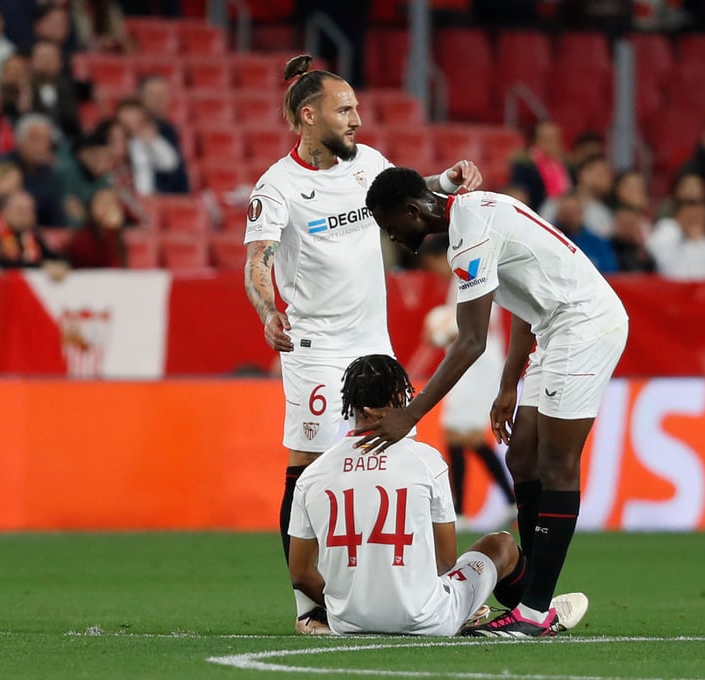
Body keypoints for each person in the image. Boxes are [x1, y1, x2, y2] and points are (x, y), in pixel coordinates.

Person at [241, 54, 482, 635]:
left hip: (374, 343)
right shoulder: (278, 186)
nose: (356, 119)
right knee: (310, 468)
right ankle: (310, 607)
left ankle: (425, 593)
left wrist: (446, 182)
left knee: (399, 458)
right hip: (316, 348)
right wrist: (270, 312)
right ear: (309, 116)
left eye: (356, 108)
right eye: (344, 109)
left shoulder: (367, 163)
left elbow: (410, 193)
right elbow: (257, 262)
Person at [361, 167, 628, 638]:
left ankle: (533, 611)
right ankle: (531, 592)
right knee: (521, 455)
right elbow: (525, 302)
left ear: (412, 211)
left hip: (584, 325)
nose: (391, 237)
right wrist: (509, 384)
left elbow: (470, 341)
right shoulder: (472, 217)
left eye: (389, 225)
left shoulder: (471, 232)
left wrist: (411, 414)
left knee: (557, 462)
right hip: (553, 328)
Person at [286, 354, 587, 636]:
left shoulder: (313, 475)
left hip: (347, 622)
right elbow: (445, 561)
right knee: (502, 545)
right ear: (386, 404)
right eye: (402, 396)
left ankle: (527, 610)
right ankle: (536, 611)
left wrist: (348, 606)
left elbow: (300, 573)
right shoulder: (426, 461)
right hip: (428, 618)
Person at [416, 237, 517, 524]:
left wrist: (441, 335)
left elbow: (478, 327)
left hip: (479, 365)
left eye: (432, 264)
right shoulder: (458, 280)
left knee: (459, 433)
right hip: (470, 364)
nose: (434, 272)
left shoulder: (468, 277)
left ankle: (461, 511)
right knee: (462, 435)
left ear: (442, 257)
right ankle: (508, 503)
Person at [0, 190, 66, 272]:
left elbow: (56, 259)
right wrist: (41, 266)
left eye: (31, 210)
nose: (26, 215)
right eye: (20, 210)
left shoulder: (32, 234)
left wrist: (59, 265)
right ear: (4, 211)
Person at [7, 112, 67, 227]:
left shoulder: (52, 178)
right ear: (19, 141)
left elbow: (58, 222)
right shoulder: (3, 167)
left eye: (46, 140)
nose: (43, 145)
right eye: (35, 139)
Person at [648, 199, 705, 281]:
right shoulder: (669, 231)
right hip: (667, 286)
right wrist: (676, 227)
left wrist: (698, 243)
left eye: (697, 217)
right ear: (678, 217)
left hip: (701, 288)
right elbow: (653, 249)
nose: (693, 222)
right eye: (688, 217)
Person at [138, 75, 189, 194]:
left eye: (163, 95)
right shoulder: (129, 131)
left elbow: (175, 169)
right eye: (153, 95)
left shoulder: (169, 130)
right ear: (140, 97)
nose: (159, 100)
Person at [28, 40, 81, 139]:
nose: (46, 63)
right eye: (42, 58)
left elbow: (73, 121)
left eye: (50, 58)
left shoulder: (69, 87)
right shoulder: (25, 87)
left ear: (60, 63)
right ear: (32, 61)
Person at [65, 187, 126, 268]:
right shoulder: (82, 236)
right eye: (102, 203)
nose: (107, 208)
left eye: (111, 203)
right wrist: (109, 231)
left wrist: (114, 231)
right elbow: (100, 262)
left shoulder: (124, 235)